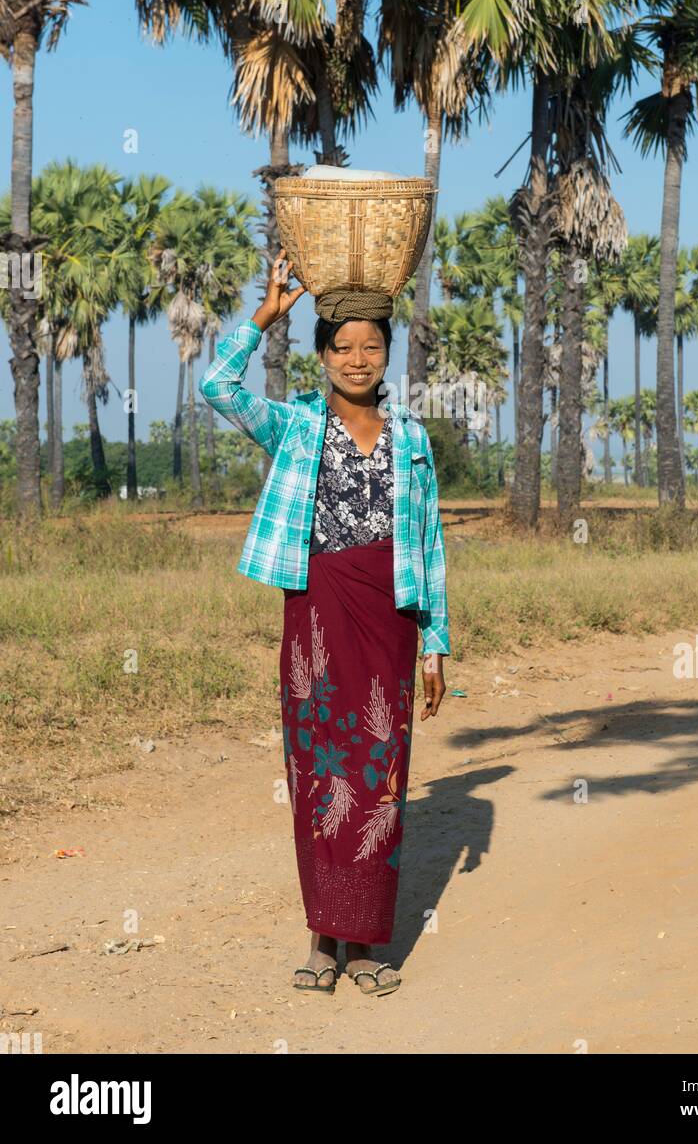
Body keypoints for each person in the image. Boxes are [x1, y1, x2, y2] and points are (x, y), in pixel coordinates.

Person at [198, 250, 449, 997]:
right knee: (317, 774)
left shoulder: (411, 438)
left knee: (376, 775)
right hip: (315, 607)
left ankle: (367, 943)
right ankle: (320, 937)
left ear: (386, 354)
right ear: (321, 356)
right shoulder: (295, 426)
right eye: (342, 347)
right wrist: (262, 319)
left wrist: (434, 643)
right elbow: (217, 386)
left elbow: (429, 542)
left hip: (389, 613)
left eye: (371, 346)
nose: (357, 359)